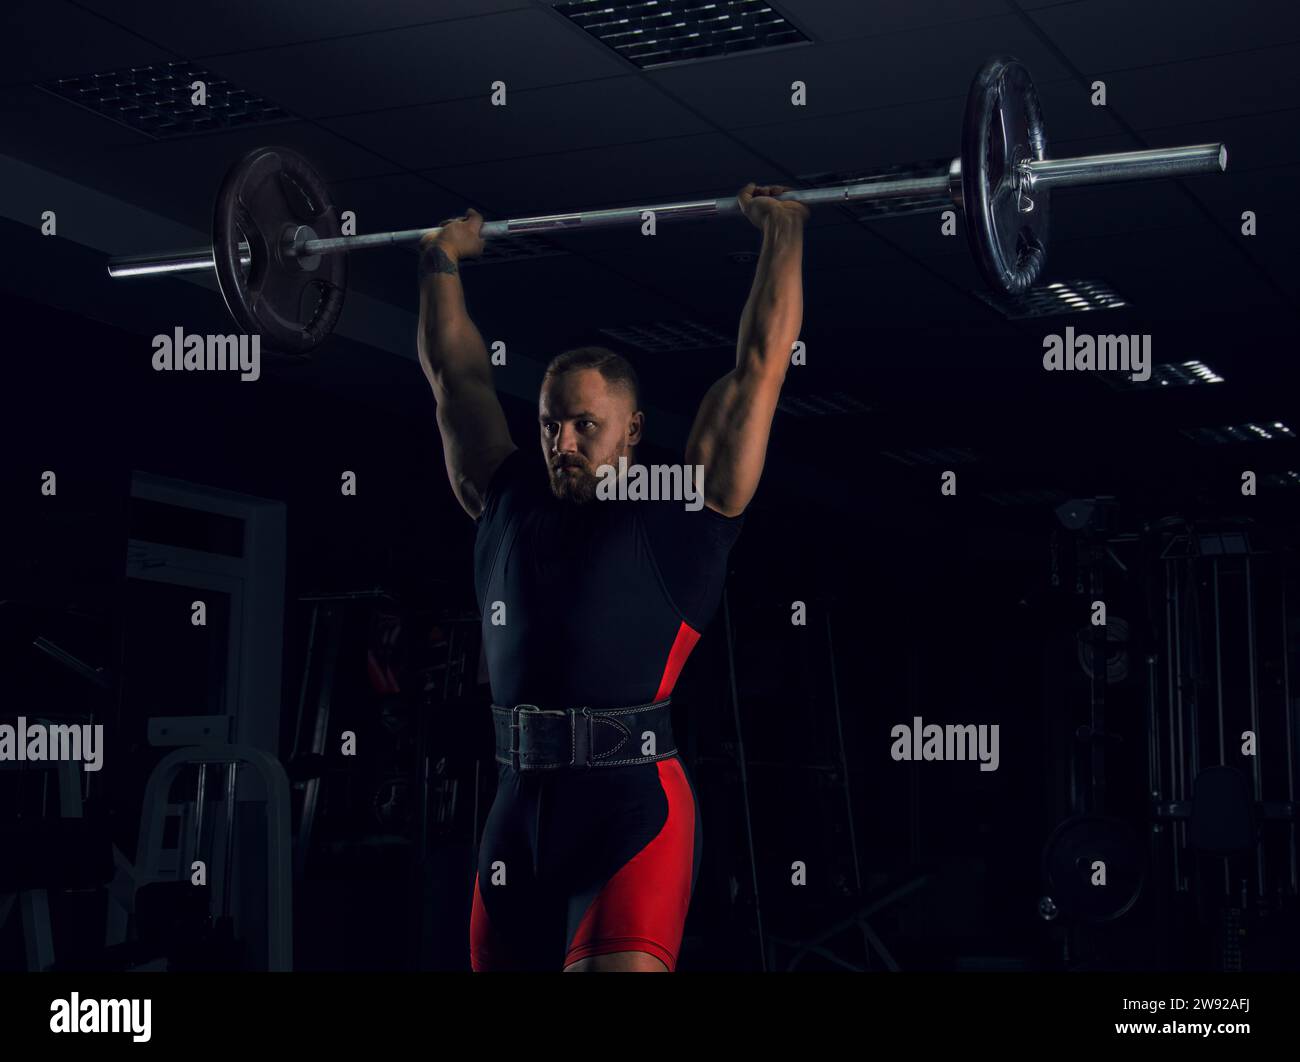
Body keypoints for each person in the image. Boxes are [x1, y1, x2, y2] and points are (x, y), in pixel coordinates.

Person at [416, 183, 808, 971]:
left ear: (632, 428)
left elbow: (760, 366)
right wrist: (438, 262)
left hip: (632, 812)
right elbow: (456, 378)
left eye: (584, 425)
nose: (561, 440)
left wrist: (783, 234)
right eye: (550, 423)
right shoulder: (504, 494)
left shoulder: (684, 504)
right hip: (516, 809)